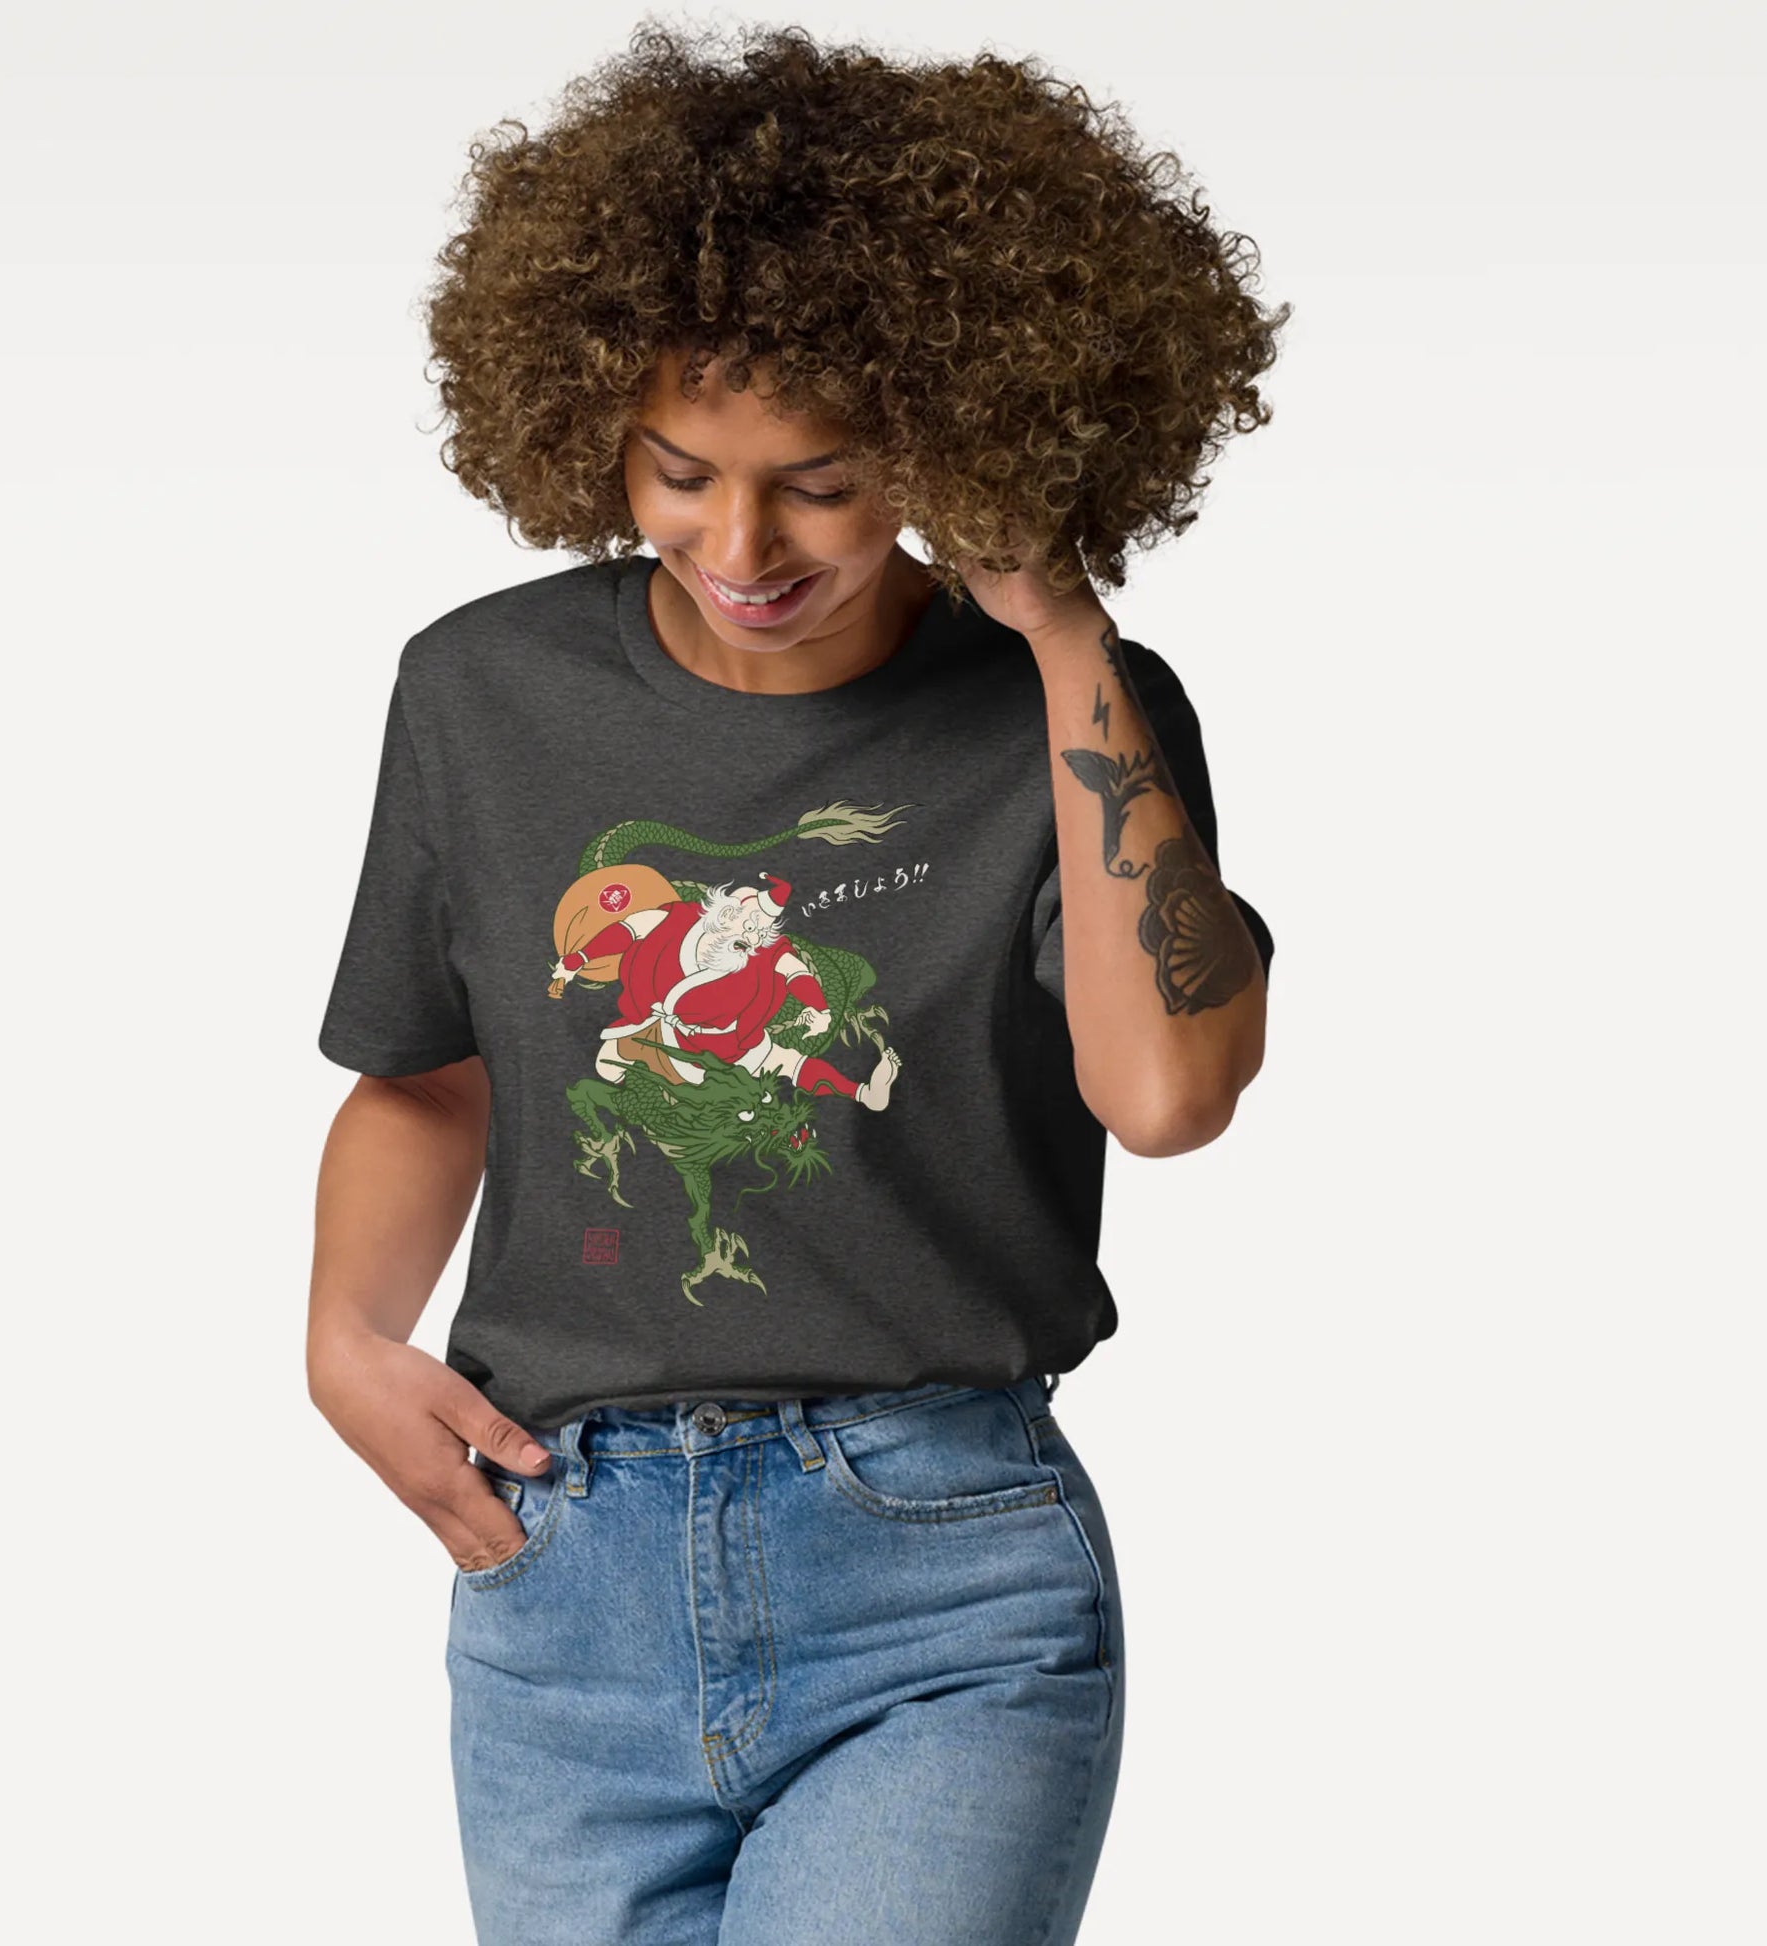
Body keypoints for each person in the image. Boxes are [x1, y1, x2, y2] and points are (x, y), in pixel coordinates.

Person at [307, 21, 1284, 1943]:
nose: (739, 546)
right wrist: (345, 1339)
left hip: (938, 1576)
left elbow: (1167, 1096)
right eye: (679, 472)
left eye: (823, 485)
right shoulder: (481, 691)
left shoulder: (1074, 715)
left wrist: (1060, 627)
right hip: (561, 1583)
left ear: (946, 441)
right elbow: (429, 1069)